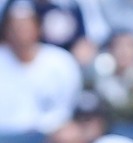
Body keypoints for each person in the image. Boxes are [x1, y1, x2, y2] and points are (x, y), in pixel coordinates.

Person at [0, 0, 82, 134]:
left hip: (50, 139)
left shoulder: (60, 61)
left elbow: (67, 107)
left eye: (25, 27)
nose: (20, 33)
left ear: (38, 28)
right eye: (14, 27)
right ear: (6, 31)